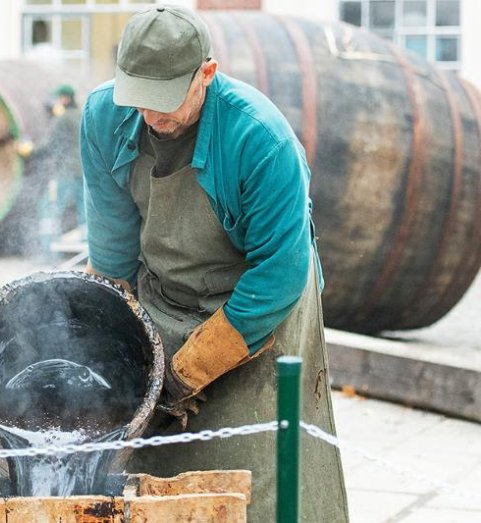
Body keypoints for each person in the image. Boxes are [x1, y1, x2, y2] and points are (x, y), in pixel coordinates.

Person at [80, 5, 348, 522]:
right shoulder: (103, 116)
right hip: (166, 291)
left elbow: (279, 273)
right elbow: (113, 247)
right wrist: (116, 340)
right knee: (153, 464)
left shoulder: (261, 140)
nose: (151, 116)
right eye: (139, 99)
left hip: (260, 304)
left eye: (165, 101)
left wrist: (186, 374)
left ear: (207, 73)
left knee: (257, 464)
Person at [36, 84, 85, 259]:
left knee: (49, 207)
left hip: (67, 172)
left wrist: (28, 150)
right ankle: (87, 254)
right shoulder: (81, 115)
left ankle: (48, 252)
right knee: (84, 211)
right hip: (85, 171)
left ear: (65, 98)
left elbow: (48, 144)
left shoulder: (63, 118)